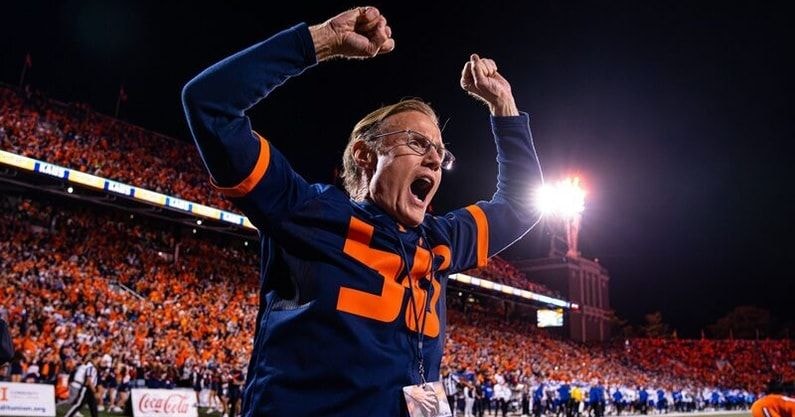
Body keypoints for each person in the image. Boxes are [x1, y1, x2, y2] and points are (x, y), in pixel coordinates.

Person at [182, 5, 543, 417]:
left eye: (440, 154)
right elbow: (210, 105)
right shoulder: (307, 212)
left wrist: (504, 103)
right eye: (418, 143)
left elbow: (520, 205)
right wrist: (320, 41)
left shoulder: (439, 241)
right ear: (365, 155)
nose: (433, 160)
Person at [65, 353, 99, 417]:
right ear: (96, 358)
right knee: (78, 404)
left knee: (93, 406)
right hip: (87, 388)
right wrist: (93, 389)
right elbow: (88, 379)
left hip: (89, 388)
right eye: (99, 358)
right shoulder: (90, 366)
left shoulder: (91, 366)